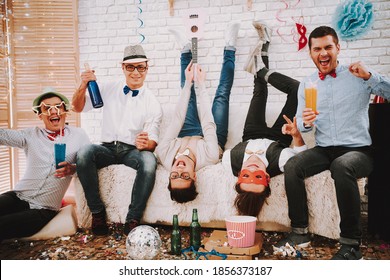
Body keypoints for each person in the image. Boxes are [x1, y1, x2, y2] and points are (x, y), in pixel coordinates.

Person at [275, 26, 390, 260]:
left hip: (358, 150)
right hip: (324, 149)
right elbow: (303, 124)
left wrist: (370, 77)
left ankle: (350, 244)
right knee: (293, 166)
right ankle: (300, 232)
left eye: (328, 47)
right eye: (317, 48)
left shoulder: (357, 74)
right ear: (310, 53)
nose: (323, 53)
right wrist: (305, 123)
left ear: (338, 48)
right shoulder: (307, 84)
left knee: (342, 165)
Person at [72, 45, 162, 235]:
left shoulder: (152, 101)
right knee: (84, 153)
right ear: (123, 67)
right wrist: (82, 86)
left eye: (141, 67)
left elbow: (153, 140)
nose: (136, 72)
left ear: (147, 69)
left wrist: (147, 144)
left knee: (149, 160)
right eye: (131, 67)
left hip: (131, 151)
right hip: (106, 149)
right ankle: (97, 213)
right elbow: (78, 107)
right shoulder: (108, 88)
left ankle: (133, 219)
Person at [222, 21, 307, 217]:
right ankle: (259, 69)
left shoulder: (229, 161)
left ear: (237, 178)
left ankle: (264, 43)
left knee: (260, 89)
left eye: (246, 176)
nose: (251, 169)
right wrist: (296, 136)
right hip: (280, 136)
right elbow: (303, 157)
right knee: (297, 89)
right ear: (267, 178)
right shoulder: (282, 161)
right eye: (257, 176)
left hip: (251, 133)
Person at [155, 22, 240, 203]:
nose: (179, 171)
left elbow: (176, 120)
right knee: (222, 95)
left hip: (187, 132)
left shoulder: (163, 155)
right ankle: (230, 48)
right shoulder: (210, 158)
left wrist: (189, 83)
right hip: (213, 136)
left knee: (187, 91)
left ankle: (186, 50)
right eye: (184, 177)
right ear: (194, 177)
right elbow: (208, 124)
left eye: (174, 176)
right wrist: (201, 84)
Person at [0, 88, 90, 242]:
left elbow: (89, 165)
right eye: (47, 108)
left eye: (58, 107)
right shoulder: (30, 135)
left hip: (43, 209)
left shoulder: (79, 135)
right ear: (40, 115)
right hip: (17, 196)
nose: (53, 111)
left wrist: (73, 168)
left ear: (65, 111)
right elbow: (2, 135)